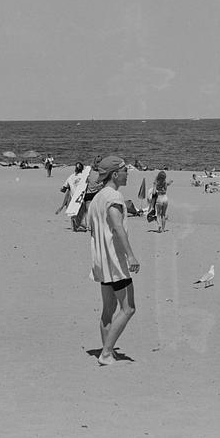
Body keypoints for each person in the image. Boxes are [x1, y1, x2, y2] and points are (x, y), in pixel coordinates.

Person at [86, 155, 140, 366]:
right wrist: (131, 255)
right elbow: (117, 228)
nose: (128, 174)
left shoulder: (97, 198)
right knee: (128, 308)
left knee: (108, 309)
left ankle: (107, 351)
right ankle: (107, 352)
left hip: (101, 261)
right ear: (115, 174)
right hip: (115, 262)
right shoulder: (113, 197)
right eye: (125, 170)